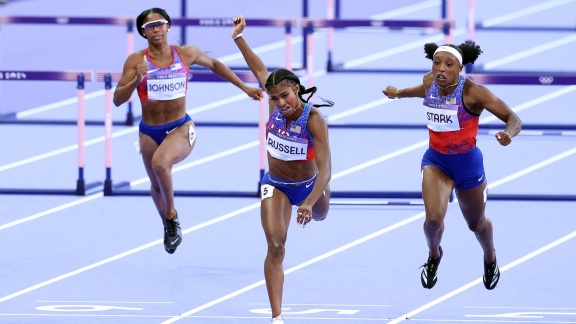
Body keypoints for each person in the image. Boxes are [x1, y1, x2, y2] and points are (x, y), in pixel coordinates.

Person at [113, 8, 263, 254]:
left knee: (161, 165)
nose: (156, 29)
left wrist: (245, 88)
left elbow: (215, 64)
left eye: (160, 24)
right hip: (149, 131)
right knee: (156, 186)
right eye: (150, 26)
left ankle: (171, 216)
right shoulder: (135, 61)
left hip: (181, 127)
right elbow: (118, 100)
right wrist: (135, 82)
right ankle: (166, 221)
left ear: (168, 26)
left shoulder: (185, 53)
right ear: (143, 32)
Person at [382, 42, 522, 290]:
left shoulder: (473, 92)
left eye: (448, 65)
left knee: (476, 224)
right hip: (436, 162)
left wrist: (508, 134)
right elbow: (421, 90)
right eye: (437, 63)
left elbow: (513, 118)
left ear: (460, 68)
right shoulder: (429, 82)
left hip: (468, 165)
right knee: (433, 221)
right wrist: (399, 93)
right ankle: (434, 255)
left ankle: (490, 258)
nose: (441, 70)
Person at [231, 16, 333, 323]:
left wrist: (310, 201)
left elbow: (327, 170)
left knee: (321, 214)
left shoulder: (313, 120)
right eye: (274, 98)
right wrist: (238, 39)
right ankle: (277, 317)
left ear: (297, 91)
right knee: (276, 245)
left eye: (285, 96)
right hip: (275, 183)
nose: (280, 102)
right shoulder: (274, 106)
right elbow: (259, 69)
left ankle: (316, 203)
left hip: (311, 186)